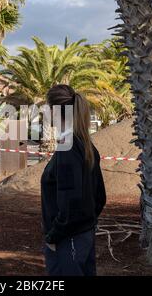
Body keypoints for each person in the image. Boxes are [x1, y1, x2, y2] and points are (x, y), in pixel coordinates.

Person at [41, 85, 107, 276]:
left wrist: (55, 235)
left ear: (54, 110)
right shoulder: (83, 144)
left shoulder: (67, 147)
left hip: (67, 240)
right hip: (82, 236)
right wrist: (86, 224)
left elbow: (70, 199)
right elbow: (99, 196)